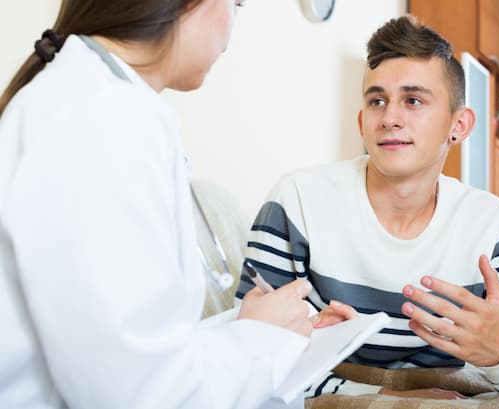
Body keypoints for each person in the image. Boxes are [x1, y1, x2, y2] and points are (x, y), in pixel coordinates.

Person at [0, 1, 346, 408]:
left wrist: (254, 325)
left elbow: (132, 346)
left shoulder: (97, 102)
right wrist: (263, 339)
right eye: (236, 4)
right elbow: (139, 395)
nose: (231, 34)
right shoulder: (102, 119)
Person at [236, 15, 499, 399]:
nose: (391, 118)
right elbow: (250, 355)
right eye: (377, 101)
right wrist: (387, 402)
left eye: (413, 100)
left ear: (459, 125)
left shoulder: (486, 223)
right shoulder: (296, 202)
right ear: (362, 121)